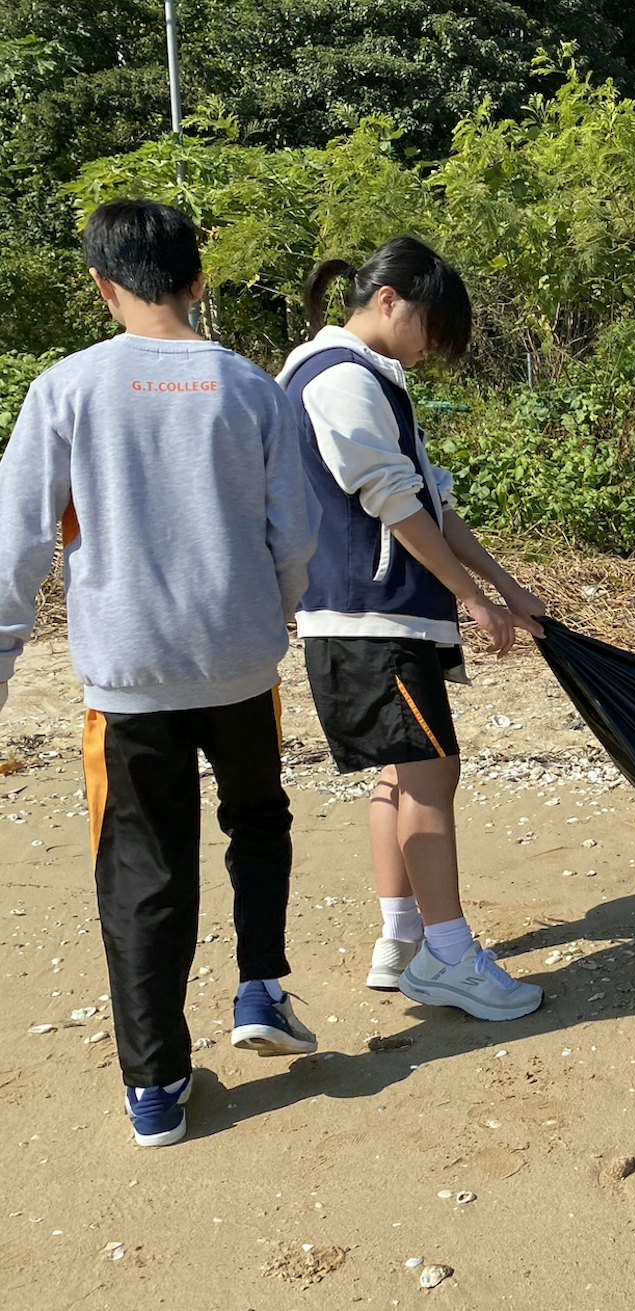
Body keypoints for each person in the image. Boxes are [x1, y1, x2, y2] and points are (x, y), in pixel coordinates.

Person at [0, 199, 320, 1148]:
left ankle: (157, 1083)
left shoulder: (67, 389)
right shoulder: (252, 387)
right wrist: (273, 611)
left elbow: (15, 545)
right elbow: (291, 536)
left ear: (103, 283)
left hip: (129, 672)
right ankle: (261, 983)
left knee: (143, 869)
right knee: (258, 819)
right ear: (197, 278)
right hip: (238, 660)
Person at [280, 238, 547, 1022]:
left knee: (400, 774)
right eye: (434, 328)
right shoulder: (340, 380)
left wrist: (507, 586)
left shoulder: (358, 378)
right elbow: (394, 502)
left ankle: (401, 938)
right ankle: (450, 954)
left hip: (370, 615)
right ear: (391, 298)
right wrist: (475, 599)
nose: (433, 350)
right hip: (373, 616)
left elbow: (431, 499)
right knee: (432, 773)